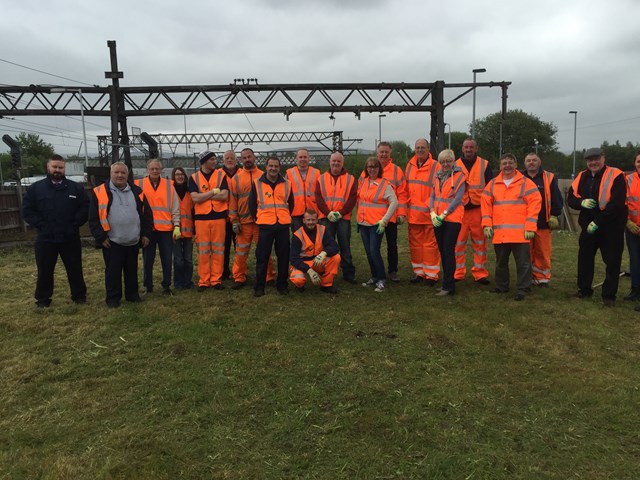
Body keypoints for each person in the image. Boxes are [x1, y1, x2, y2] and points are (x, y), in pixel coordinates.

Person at [22, 154, 89, 308]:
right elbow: (27, 211)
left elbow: (85, 207)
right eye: (55, 167)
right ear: (48, 168)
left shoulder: (75, 188)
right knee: (45, 270)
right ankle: (43, 299)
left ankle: (79, 296)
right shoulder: (36, 189)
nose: (57, 170)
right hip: (46, 238)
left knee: (75, 268)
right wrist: (42, 225)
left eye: (60, 167)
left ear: (64, 169)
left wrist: (74, 223)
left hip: (70, 236)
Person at [567, 147, 627, 307]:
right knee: (585, 259)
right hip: (588, 226)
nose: (593, 162)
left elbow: (617, 204)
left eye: (596, 159)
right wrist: (581, 203)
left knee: (612, 261)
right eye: (589, 160)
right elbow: (571, 198)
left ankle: (609, 296)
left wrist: (598, 222)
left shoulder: (616, 175)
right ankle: (584, 290)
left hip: (610, 227)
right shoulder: (582, 176)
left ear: (603, 158)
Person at [89, 162, 153, 308]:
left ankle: (132, 295)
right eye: (116, 172)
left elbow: (147, 215)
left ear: (127, 174)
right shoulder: (99, 192)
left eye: (123, 173)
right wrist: (101, 237)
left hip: (133, 239)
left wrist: (146, 234)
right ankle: (113, 298)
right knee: (113, 272)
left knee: (132, 270)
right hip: (112, 241)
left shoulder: (138, 192)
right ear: (110, 174)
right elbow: (93, 218)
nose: (120, 175)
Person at [481, 153, 541, 301]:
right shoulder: (493, 184)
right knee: (500, 262)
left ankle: (523, 289)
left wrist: (530, 227)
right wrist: (487, 224)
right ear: (500, 166)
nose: (507, 165)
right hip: (500, 233)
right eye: (504, 163)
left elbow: (534, 205)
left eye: (510, 163)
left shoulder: (526, 183)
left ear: (516, 165)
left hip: (520, 233)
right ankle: (501, 286)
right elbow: (486, 205)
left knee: (523, 263)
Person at [228, 148, 276, 289]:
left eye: (249, 157)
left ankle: (269, 276)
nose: (247, 159)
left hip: (261, 222)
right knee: (241, 252)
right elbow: (232, 202)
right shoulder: (235, 179)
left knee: (264, 250)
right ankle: (239, 277)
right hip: (243, 223)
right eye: (244, 158)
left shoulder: (263, 175)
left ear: (254, 158)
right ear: (241, 160)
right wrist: (234, 220)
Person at [248, 156, 294, 297]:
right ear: (266, 167)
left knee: (283, 257)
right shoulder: (257, 183)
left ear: (279, 168)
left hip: (282, 226)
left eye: (276, 166)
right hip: (265, 226)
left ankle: (282, 285)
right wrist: (260, 218)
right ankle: (259, 287)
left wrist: (284, 216)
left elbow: (291, 204)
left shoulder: (287, 183)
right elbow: (251, 205)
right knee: (262, 257)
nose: (273, 169)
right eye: (270, 166)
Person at [364, 141, 408, 282]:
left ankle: (392, 270)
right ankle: (376, 273)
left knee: (391, 244)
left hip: (391, 216)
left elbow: (402, 193)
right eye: (381, 152)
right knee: (373, 248)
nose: (383, 154)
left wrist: (401, 213)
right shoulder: (368, 169)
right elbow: (362, 191)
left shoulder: (396, 170)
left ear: (390, 153)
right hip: (373, 218)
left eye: (386, 152)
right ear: (377, 153)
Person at [136, 159, 180, 295]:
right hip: (147, 230)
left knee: (167, 259)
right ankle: (148, 286)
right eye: (152, 169)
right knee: (148, 259)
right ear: (147, 170)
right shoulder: (138, 184)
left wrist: (177, 224)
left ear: (162, 170)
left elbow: (175, 207)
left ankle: (166, 286)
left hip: (166, 230)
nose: (155, 171)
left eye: (157, 169)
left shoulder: (169, 185)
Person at [189, 150, 230, 291]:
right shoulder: (194, 178)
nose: (215, 161)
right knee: (203, 251)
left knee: (219, 250)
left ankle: (216, 279)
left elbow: (225, 195)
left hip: (219, 217)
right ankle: (204, 280)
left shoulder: (221, 175)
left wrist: (204, 196)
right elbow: (195, 198)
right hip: (201, 219)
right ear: (204, 161)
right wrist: (213, 192)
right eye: (212, 159)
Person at [315, 152, 358, 283]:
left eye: (338, 161)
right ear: (330, 162)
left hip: (343, 218)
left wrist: (341, 213)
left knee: (345, 246)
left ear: (342, 163)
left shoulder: (350, 179)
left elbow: (352, 198)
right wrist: (327, 213)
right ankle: (325, 272)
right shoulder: (321, 178)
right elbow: (318, 198)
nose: (336, 163)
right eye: (334, 161)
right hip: (326, 217)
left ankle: (348, 274)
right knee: (326, 246)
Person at [455, 138, 493, 284]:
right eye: (466, 147)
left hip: (478, 209)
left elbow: (490, 188)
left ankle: (480, 273)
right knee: (458, 243)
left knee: (480, 243)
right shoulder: (455, 164)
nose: (469, 150)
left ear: (476, 148)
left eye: (471, 147)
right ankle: (458, 272)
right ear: (462, 149)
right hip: (460, 211)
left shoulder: (485, 164)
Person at [522, 153, 564, 287]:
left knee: (542, 251)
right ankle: (527, 277)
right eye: (528, 160)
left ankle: (542, 278)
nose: (531, 163)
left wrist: (554, 214)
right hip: (525, 223)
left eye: (534, 160)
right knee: (525, 253)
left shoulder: (549, 177)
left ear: (539, 163)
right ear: (525, 164)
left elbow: (556, 197)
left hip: (543, 222)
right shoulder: (520, 178)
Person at [357, 157, 398, 292]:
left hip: (376, 224)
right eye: (369, 167)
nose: (372, 169)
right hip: (363, 223)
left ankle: (381, 279)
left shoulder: (384, 184)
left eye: (375, 167)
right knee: (369, 252)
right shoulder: (363, 182)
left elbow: (394, 202)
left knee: (374, 251)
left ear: (379, 169)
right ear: (366, 168)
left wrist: (384, 220)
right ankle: (374, 276)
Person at [429, 149, 466, 296]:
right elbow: (432, 195)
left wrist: (444, 214)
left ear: (453, 162)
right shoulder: (437, 176)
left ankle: (449, 285)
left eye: (448, 161)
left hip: (452, 219)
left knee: (448, 251)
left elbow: (457, 199)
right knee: (443, 251)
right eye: (443, 161)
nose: (446, 164)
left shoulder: (459, 177)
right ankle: (446, 282)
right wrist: (432, 211)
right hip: (437, 219)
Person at [405, 138, 441, 286]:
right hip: (413, 215)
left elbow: (440, 190)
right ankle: (419, 273)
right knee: (416, 246)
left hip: (429, 214)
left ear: (428, 149)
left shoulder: (436, 166)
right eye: (417, 147)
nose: (420, 150)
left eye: (422, 147)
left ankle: (431, 275)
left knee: (430, 246)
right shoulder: (410, 165)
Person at [289, 208, 341, 293]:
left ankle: (326, 285)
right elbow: (293, 259)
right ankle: (300, 285)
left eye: (313, 220)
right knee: (298, 279)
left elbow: (335, 247)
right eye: (308, 220)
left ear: (317, 220)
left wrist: (324, 253)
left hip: (318, 261)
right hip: (303, 263)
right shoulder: (297, 235)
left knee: (336, 257)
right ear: (304, 220)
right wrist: (309, 271)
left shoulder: (323, 229)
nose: (311, 222)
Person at [171, 167, 194, 290]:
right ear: (173, 177)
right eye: (177, 174)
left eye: (182, 175)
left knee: (188, 259)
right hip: (176, 230)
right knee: (178, 259)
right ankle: (178, 283)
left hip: (188, 230)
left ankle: (188, 281)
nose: (179, 177)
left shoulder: (190, 192)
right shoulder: (170, 192)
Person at [287, 148, 321, 233]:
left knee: (313, 237)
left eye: (305, 157)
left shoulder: (316, 173)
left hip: (312, 212)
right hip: (296, 212)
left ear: (309, 158)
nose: (303, 159)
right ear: (296, 158)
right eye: (300, 157)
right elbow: (285, 194)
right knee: (298, 238)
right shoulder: (289, 173)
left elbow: (321, 193)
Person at [221, 150, 239, 280]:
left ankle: (238, 272)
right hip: (223, 217)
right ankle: (224, 271)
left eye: (231, 158)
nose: (229, 160)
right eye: (227, 158)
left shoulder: (242, 173)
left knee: (240, 247)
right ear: (223, 161)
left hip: (239, 217)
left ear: (236, 160)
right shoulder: (218, 174)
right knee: (224, 247)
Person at [625, 151, 640, 302]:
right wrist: (627, 221)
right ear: (635, 163)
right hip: (632, 228)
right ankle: (635, 290)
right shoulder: (628, 180)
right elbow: (623, 203)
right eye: (638, 161)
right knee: (635, 260)